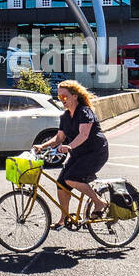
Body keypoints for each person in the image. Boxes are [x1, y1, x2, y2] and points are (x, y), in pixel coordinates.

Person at [35, 80, 110, 229]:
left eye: (64, 96)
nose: (62, 100)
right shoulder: (65, 117)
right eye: (59, 97)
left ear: (75, 96)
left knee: (71, 178)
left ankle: (99, 202)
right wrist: (42, 146)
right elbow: (59, 138)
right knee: (61, 183)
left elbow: (84, 135)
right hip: (79, 154)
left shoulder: (85, 112)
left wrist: (69, 146)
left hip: (95, 152)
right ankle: (64, 219)